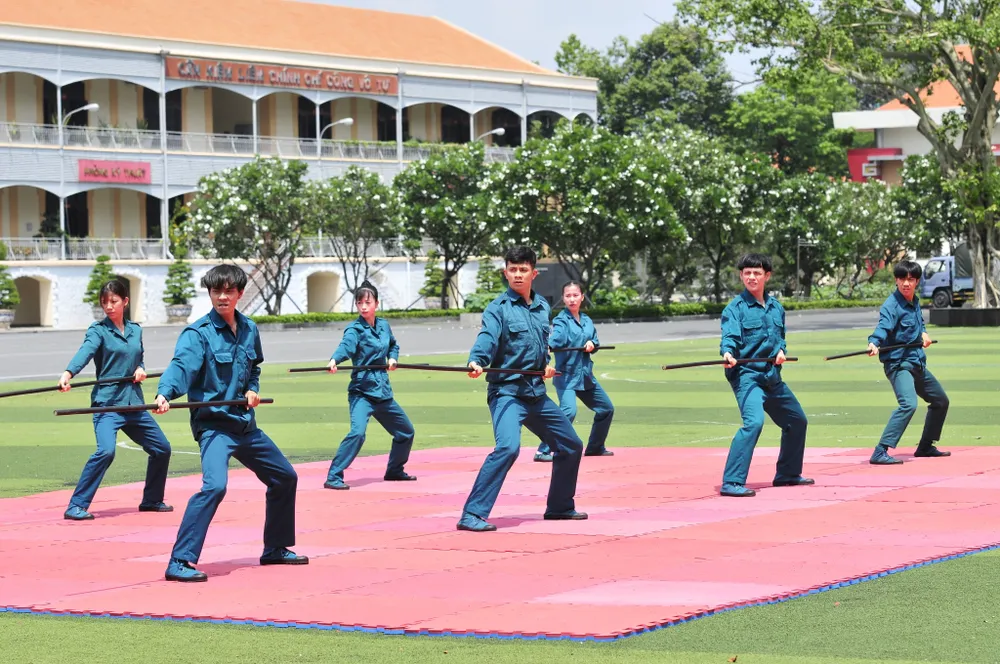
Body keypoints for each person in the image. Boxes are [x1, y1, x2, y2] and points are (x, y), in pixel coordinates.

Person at [154, 264, 306, 582]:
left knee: (284, 477)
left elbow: (254, 369)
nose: (222, 297)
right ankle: (179, 561)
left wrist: (253, 389)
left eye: (228, 291)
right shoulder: (198, 334)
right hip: (214, 427)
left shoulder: (250, 329)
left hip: (244, 425)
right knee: (215, 486)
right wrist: (165, 392)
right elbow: (181, 366)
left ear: (239, 293)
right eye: (216, 291)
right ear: (210, 293)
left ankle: (275, 548)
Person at [458, 246, 586, 532]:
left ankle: (560, 506)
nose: (517, 275)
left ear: (533, 273)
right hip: (507, 393)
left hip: (536, 393)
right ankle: (471, 514)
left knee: (571, 445)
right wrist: (477, 360)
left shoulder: (542, 307)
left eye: (523, 270)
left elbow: (541, 347)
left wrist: (547, 365)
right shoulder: (497, 309)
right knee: (508, 447)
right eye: (512, 270)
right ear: (506, 273)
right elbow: (487, 339)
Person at [59, 279, 172, 521]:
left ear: (125, 302)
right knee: (106, 452)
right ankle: (76, 505)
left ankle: (152, 500)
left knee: (162, 449)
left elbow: (138, 356)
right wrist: (68, 374)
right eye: (104, 303)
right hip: (108, 404)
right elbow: (85, 352)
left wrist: (141, 368)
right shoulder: (98, 331)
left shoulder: (136, 330)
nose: (109, 307)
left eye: (114, 301)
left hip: (134, 403)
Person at [719, 253, 812, 497]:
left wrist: (782, 350)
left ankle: (788, 474)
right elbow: (729, 337)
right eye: (747, 273)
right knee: (754, 423)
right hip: (747, 376)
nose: (751, 277)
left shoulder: (776, 308)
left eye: (756, 273)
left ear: (766, 276)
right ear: (741, 275)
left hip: (772, 376)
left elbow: (780, 338)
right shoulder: (734, 309)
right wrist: (728, 353)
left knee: (797, 420)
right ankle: (732, 482)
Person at [324, 280, 416, 490]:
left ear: (376, 303)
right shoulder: (354, 329)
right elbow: (346, 346)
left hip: (383, 391)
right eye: (359, 303)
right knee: (357, 433)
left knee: (405, 432)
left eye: (367, 302)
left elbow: (393, 344)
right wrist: (334, 360)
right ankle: (333, 476)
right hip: (362, 392)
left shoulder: (383, 325)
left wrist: (392, 358)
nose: (363, 306)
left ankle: (394, 471)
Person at [867, 260, 950, 464]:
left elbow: (919, 323)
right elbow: (883, 327)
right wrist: (874, 342)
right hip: (898, 364)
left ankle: (925, 446)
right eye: (902, 279)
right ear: (896, 280)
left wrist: (924, 333)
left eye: (910, 280)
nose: (906, 283)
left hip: (916, 362)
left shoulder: (914, 301)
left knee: (940, 401)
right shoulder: (891, 305)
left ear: (917, 281)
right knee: (908, 404)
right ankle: (880, 451)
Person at [534, 281, 614, 462]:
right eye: (568, 296)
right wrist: (548, 346)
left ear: (582, 297)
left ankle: (595, 447)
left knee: (606, 409)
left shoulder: (586, 320)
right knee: (568, 412)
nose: (572, 299)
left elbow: (594, 340)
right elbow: (557, 337)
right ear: (563, 298)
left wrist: (592, 344)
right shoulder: (561, 320)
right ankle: (542, 450)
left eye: (575, 295)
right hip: (567, 376)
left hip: (586, 376)